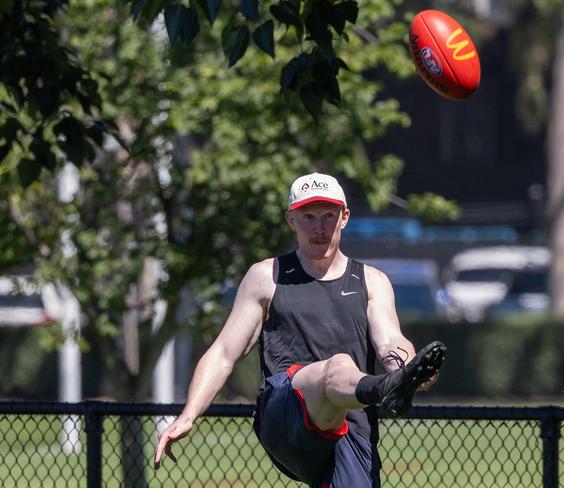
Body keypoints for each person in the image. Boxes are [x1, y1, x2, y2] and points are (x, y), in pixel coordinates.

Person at [153, 172, 446, 487]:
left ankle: (393, 385)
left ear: (344, 217)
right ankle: (386, 388)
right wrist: (187, 416)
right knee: (337, 366)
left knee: (347, 380)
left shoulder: (372, 282)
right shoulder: (267, 276)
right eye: (308, 217)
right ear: (291, 219)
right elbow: (224, 353)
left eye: (328, 217)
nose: (319, 228)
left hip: (350, 427)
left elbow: (390, 341)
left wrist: (409, 369)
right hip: (285, 414)